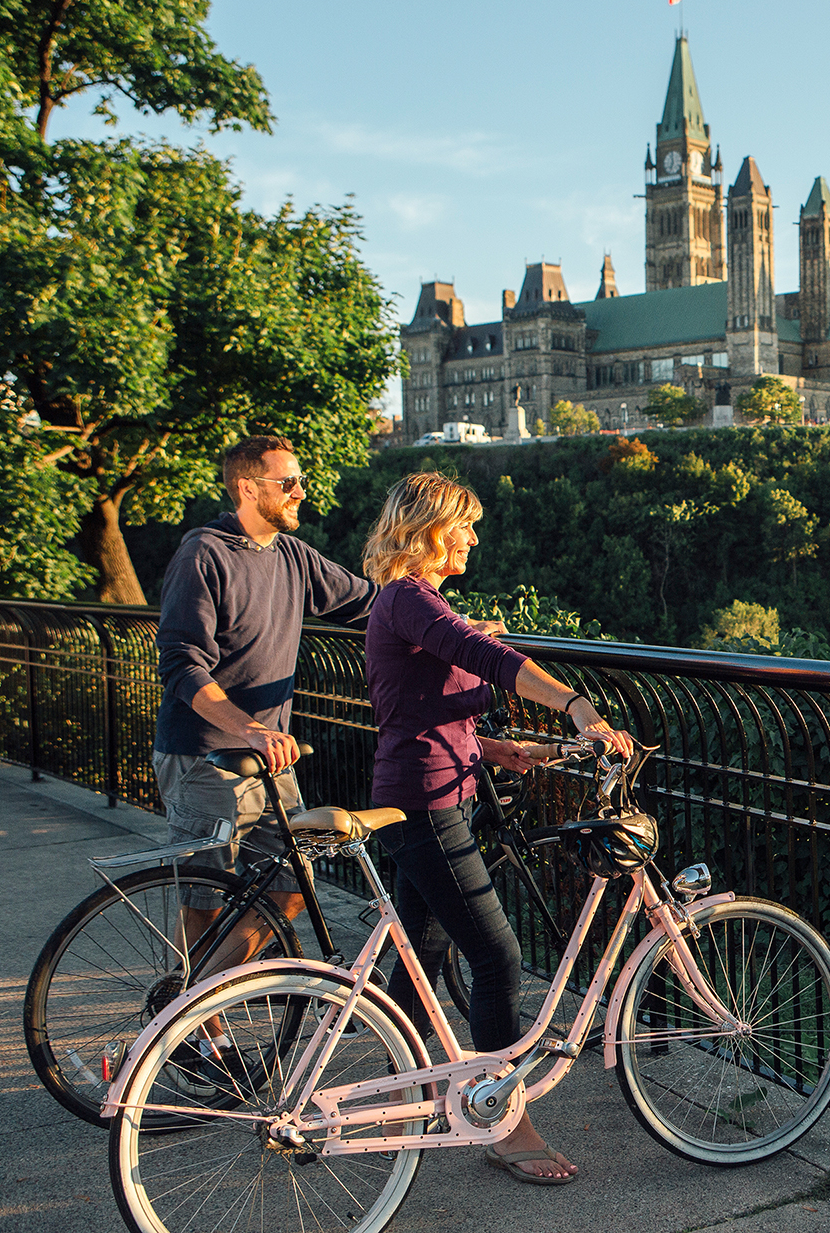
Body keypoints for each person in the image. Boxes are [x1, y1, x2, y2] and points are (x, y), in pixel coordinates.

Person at [361, 471, 632, 1186]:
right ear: (428, 530)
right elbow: (490, 660)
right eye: (465, 526)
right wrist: (577, 707)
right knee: (498, 958)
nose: (474, 539)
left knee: (418, 961)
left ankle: (392, 1099)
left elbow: (419, 706)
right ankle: (507, 1126)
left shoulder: (412, 605)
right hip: (425, 803)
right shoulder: (410, 598)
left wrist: (497, 748)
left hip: (426, 790)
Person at [154, 434, 378, 974]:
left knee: (293, 886)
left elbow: (371, 606)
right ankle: (195, 1031)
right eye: (289, 483)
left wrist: (457, 630)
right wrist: (249, 728)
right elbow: (182, 665)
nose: (302, 491)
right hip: (205, 757)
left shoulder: (292, 555)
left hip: (270, 760)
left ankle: (204, 995)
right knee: (204, 900)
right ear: (248, 488)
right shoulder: (203, 553)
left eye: (302, 480)